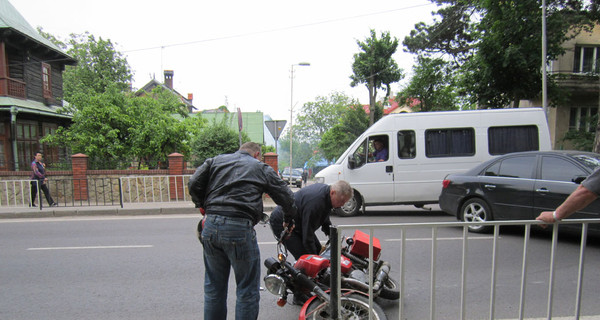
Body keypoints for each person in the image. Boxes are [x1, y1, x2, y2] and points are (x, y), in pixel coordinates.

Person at [188, 142, 296, 320]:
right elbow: (286, 197)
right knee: (247, 290)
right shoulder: (260, 168)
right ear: (257, 155)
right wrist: (289, 220)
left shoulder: (215, 161)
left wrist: (202, 204)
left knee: (214, 288)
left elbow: (193, 183)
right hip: (238, 228)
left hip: (211, 226)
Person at [269, 180, 353, 260]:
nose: (342, 205)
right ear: (333, 193)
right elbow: (307, 237)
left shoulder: (327, 196)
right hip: (282, 221)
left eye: (344, 202)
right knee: (305, 257)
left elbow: (326, 222)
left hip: (298, 221)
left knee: (318, 250)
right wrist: (315, 259)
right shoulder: (316, 203)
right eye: (341, 201)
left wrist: (335, 242)